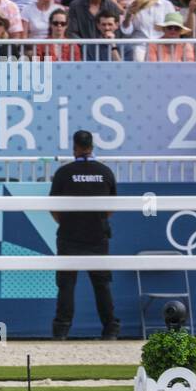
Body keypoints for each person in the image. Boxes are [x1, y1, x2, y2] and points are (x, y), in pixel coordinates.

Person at [49, 129, 119, 340]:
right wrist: (97, 221)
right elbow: (111, 206)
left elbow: (53, 206)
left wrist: (68, 222)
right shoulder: (105, 172)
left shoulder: (64, 172)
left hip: (69, 236)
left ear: (75, 147)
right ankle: (110, 330)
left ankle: (61, 332)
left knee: (66, 286)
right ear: (92, 146)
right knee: (102, 285)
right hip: (97, 236)